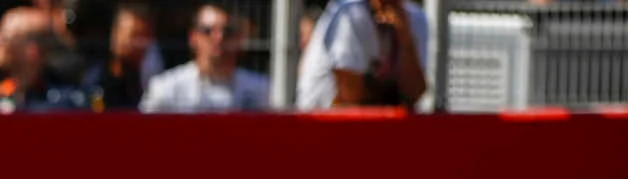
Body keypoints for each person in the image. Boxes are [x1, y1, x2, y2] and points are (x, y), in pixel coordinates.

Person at [295, 0, 428, 110]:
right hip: (320, 125)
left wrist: (405, 39)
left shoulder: (416, 18)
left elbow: (414, 92)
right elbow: (350, 96)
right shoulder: (348, 14)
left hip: (371, 127)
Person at [140, 2, 271, 111]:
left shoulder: (262, 90)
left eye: (227, 31)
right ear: (193, 37)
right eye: (208, 31)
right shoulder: (166, 90)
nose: (218, 38)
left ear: (240, 38)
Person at [79, 3, 157, 108]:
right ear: (116, 35)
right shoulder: (97, 80)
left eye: (145, 36)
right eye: (134, 35)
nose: (140, 44)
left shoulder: (153, 77)